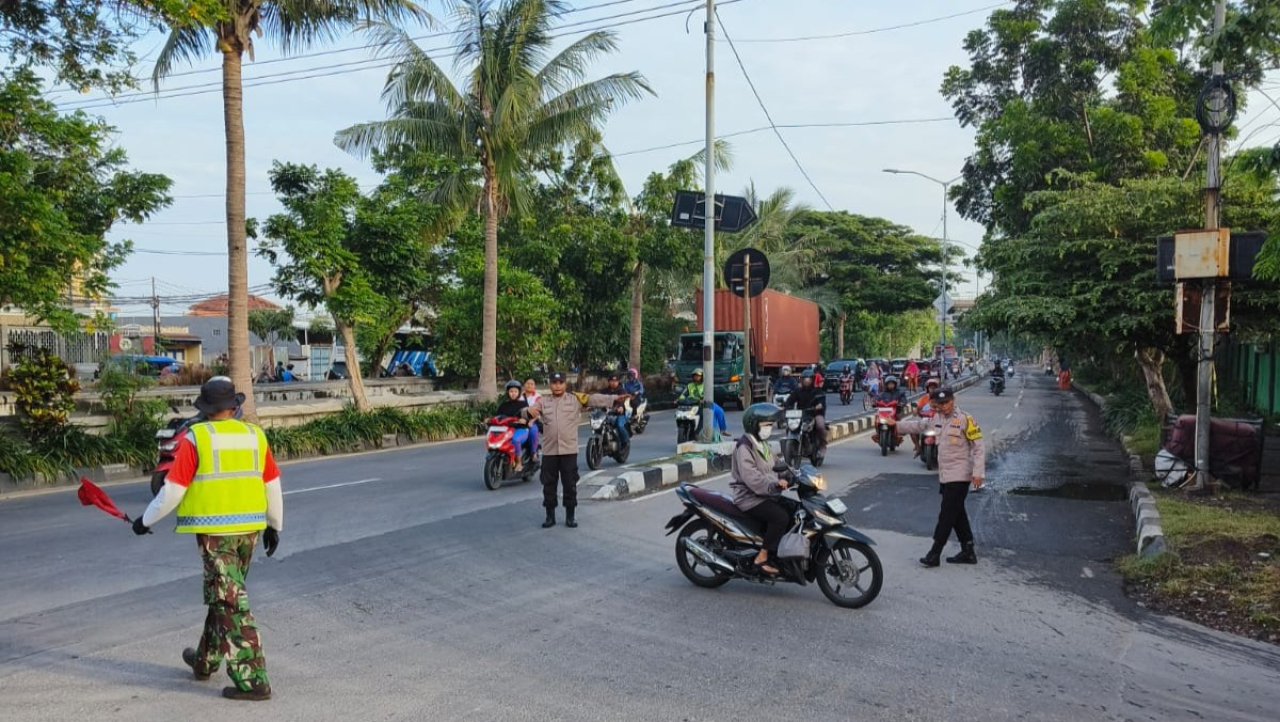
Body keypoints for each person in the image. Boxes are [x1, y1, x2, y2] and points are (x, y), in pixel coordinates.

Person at [131, 377, 282, 701]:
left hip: (216, 535)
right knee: (224, 594)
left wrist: (145, 520)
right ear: (235, 405)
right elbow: (272, 483)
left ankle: (254, 680)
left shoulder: (196, 438)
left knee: (231, 601)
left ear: (205, 408)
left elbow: (173, 490)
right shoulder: (254, 434)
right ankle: (205, 661)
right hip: (249, 532)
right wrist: (274, 525)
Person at [886, 386, 985, 567]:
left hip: (961, 474)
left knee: (947, 515)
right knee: (957, 513)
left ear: (953, 400)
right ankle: (968, 550)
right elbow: (918, 425)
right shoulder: (935, 418)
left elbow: (978, 447)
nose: (944, 406)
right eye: (941, 404)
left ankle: (935, 553)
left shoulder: (965, 419)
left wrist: (978, 473)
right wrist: (896, 425)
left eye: (947, 402)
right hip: (945, 474)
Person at [523, 371, 626, 529]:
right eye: (554, 383)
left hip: (569, 451)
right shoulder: (543, 401)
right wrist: (527, 412)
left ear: (565, 384)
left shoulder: (575, 398)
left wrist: (614, 398)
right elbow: (526, 411)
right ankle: (550, 516)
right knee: (548, 485)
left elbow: (593, 398)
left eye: (560, 383)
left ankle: (570, 516)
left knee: (570, 484)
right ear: (550, 384)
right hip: (550, 452)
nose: (557, 386)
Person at [730, 403, 790, 576]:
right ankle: (761, 558)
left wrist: (789, 474)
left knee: (793, 511)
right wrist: (772, 486)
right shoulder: (744, 447)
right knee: (780, 517)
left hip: (764, 494)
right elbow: (752, 477)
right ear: (754, 425)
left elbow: (777, 464)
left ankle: (776, 553)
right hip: (749, 497)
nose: (769, 428)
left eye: (770, 425)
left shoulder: (763, 445)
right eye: (766, 425)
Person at [781, 370, 827, 457]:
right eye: (805, 379)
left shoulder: (818, 391)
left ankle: (822, 446)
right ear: (802, 380)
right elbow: (790, 400)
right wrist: (784, 406)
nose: (806, 381)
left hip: (815, 414)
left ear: (812, 380)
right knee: (790, 426)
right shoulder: (798, 391)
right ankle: (797, 446)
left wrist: (819, 406)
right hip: (801, 415)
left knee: (820, 425)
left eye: (808, 379)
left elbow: (822, 402)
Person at [496, 380, 536, 470]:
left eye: (515, 391)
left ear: (519, 392)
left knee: (515, 440)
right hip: (506, 430)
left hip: (521, 429)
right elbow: (497, 416)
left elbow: (528, 415)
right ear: (507, 392)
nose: (513, 394)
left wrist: (524, 420)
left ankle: (518, 463)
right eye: (511, 391)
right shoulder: (503, 405)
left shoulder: (523, 404)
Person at [678, 369, 728, 439]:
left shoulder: (706, 385)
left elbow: (710, 394)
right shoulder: (690, 385)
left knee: (719, 411)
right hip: (692, 404)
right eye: (695, 376)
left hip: (705, 403)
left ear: (702, 377)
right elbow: (683, 395)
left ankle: (720, 430)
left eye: (698, 376)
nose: (697, 378)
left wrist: (704, 400)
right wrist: (679, 399)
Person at [910, 377, 942, 456]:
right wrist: (915, 411)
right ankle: (918, 448)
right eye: (931, 388)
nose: (933, 390)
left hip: (939, 421)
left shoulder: (942, 398)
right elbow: (917, 408)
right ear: (928, 389)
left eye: (934, 388)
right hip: (925, 421)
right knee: (912, 430)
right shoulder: (924, 398)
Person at [605, 373, 631, 448]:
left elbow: (623, 401)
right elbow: (598, 399)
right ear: (608, 381)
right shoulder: (604, 391)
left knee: (619, 425)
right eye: (612, 381)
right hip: (607, 414)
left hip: (620, 414)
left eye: (615, 381)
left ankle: (625, 441)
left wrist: (620, 407)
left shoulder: (622, 391)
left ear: (618, 382)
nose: (613, 382)